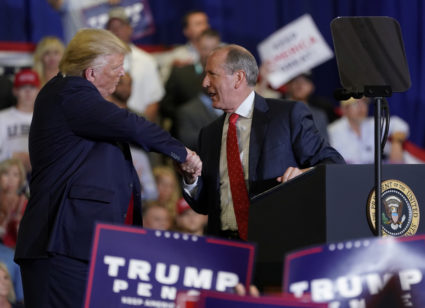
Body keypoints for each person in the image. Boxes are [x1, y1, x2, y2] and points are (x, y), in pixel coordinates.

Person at [14, 28, 201, 308]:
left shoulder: (77, 101)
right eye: (116, 67)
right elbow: (131, 124)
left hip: (79, 247)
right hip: (60, 247)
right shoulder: (69, 93)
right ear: (91, 73)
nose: (122, 74)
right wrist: (182, 152)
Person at [182, 45, 344, 240]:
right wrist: (191, 180)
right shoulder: (209, 134)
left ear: (238, 78)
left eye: (212, 74)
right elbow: (204, 205)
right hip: (225, 248)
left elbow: (333, 164)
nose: (205, 82)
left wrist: (303, 175)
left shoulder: (287, 115)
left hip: (276, 243)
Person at [106, 7, 165, 121]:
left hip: (141, 126)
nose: (116, 31)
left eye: (121, 26)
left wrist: (142, 131)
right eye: (112, 27)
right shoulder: (100, 63)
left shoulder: (147, 61)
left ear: (130, 29)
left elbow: (153, 102)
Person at [161, 28, 222, 137]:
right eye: (205, 48)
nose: (210, 53)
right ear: (197, 47)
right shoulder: (180, 73)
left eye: (214, 49)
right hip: (188, 138)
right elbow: (165, 106)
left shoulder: (228, 76)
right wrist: (185, 116)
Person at [108, 72, 158, 201]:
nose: (125, 88)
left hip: (140, 175)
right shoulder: (104, 115)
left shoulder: (140, 118)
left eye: (129, 84)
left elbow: (152, 148)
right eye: (121, 84)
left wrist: (152, 172)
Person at [328, 97, 409, 164]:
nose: (361, 108)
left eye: (364, 103)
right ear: (344, 109)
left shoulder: (372, 124)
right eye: (356, 103)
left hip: (373, 176)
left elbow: (399, 124)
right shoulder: (333, 131)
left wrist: (396, 142)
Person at [0, 69, 40, 173]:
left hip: (39, 176)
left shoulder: (48, 119)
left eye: (32, 87)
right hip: (7, 177)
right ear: (15, 91)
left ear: (38, 90)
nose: (28, 91)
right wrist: (11, 156)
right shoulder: (2, 117)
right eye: (23, 87)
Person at [158, 10, 210, 82]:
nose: (205, 27)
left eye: (206, 22)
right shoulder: (177, 57)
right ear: (186, 31)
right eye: (199, 24)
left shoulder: (223, 51)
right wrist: (173, 71)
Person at [0, 159, 27, 248]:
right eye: (6, 174)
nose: (11, 179)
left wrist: (21, 226)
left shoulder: (24, 203)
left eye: (15, 175)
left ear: (20, 179)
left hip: (11, 254)